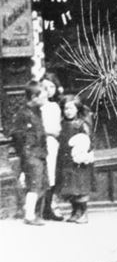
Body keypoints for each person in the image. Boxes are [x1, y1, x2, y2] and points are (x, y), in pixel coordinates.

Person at [11, 82, 49, 225]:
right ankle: (30, 215)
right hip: (31, 154)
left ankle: (30, 211)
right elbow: (18, 135)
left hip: (39, 153)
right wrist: (26, 154)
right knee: (34, 183)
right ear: (34, 97)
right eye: (43, 96)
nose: (45, 99)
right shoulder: (23, 114)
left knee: (40, 183)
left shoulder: (36, 111)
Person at [55, 95, 95, 223]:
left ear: (77, 109)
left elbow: (89, 141)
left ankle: (83, 212)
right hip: (66, 161)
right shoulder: (62, 124)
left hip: (79, 161)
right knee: (70, 188)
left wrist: (84, 153)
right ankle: (75, 211)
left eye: (71, 108)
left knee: (80, 187)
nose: (68, 111)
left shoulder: (81, 124)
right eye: (65, 109)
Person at [39, 74, 65, 221]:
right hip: (45, 142)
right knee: (46, 174)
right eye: (45, 87)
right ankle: (44, 208)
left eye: (52, 87)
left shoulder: (56, 106)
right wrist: (49, 132)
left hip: (56, 143)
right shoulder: (39, 107)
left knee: (54, 175)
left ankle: (51, 206)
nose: (48, 90)